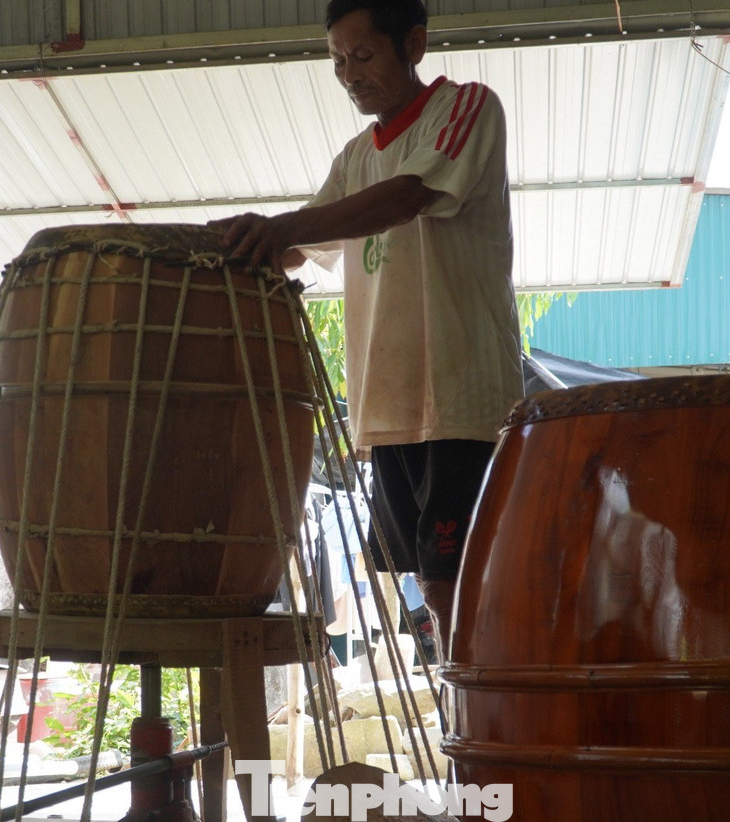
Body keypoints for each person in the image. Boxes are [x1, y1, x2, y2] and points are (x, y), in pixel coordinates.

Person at [214, 0, 522, 658]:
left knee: (461, 576)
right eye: (336, 61)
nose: (349, 74)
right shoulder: (355, 158)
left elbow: (408, 196)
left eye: (362, 55)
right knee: (430, 579)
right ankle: (465, 692)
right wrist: (230, 246)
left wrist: (283, 228)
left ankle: (484, 696)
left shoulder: (466, 108)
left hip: (461, 398)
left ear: (413, 44)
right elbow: (298, 246)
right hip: (390, 404)